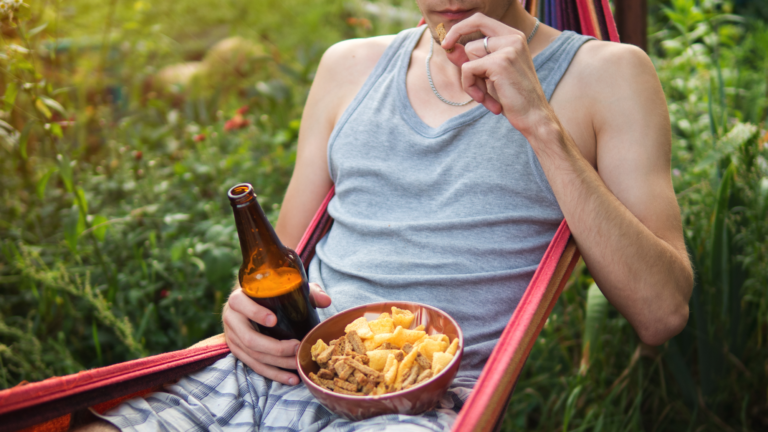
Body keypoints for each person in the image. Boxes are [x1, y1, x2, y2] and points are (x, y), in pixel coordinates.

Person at [78, 0, 693, 430]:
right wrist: (239, 311)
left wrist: (540, 125)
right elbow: (280, 258)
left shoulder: (608, 76)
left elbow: (662, 312)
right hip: (280, 369)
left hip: (421, 404)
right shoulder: (348, 65)